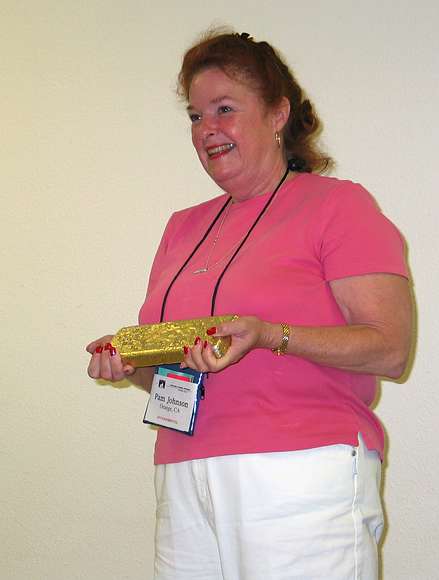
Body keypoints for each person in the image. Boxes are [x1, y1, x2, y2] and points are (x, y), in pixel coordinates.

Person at [87, 29, 412, 580]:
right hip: (184, 468)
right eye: (195, 116)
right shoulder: (181, 227)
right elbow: (174, 368)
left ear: (278, 113)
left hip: (298, 469)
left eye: (224, 109)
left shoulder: (339, 206)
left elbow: (390, 349)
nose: (206, 129)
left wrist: (269, 335)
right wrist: (131, 363)